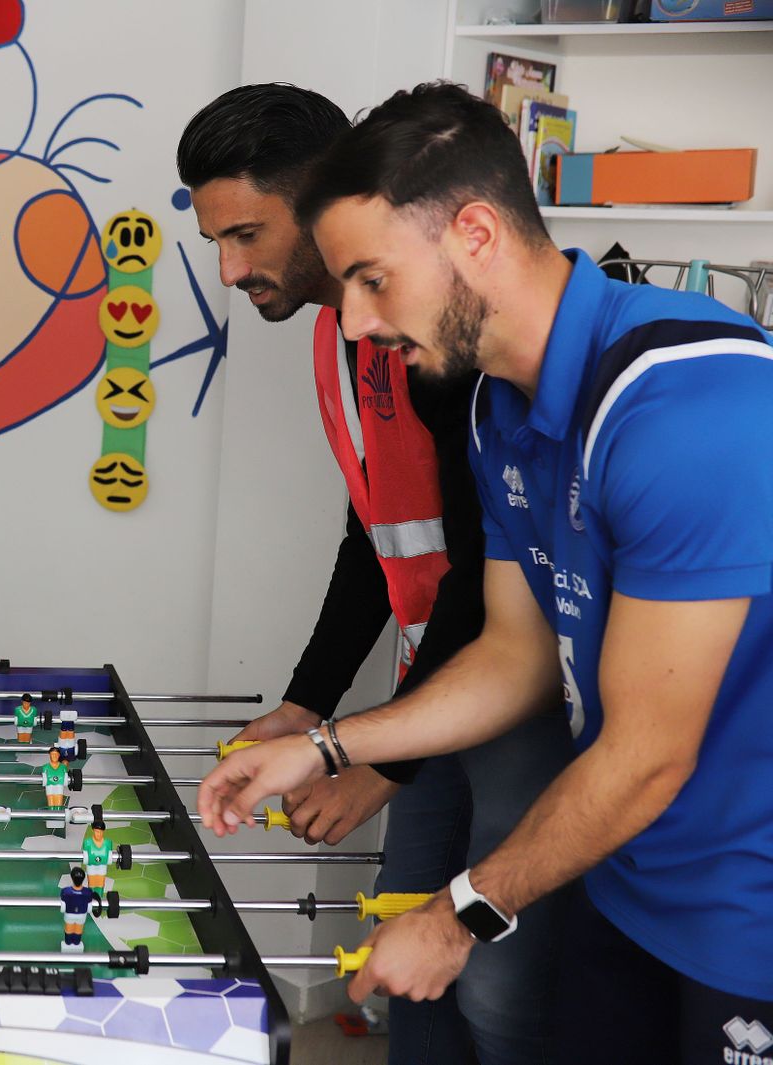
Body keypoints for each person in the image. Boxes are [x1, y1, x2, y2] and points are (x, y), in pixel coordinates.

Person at [202, 81, 773, 1063]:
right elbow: (511, 654)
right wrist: (327, 745)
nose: (353, 326)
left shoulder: (689, 411)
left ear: (472, 233)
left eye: (373, 281)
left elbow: (648, 754)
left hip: (746, 914)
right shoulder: (490, 411)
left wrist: (458, 913)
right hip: (624, 882)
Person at [178, 83, 573, 1064]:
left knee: (501, 993)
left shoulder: (438, 340)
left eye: (244, 235)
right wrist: (309, 706)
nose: (228, 272)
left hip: (507, 699)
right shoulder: (346, 332)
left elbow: (491, 560)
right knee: (399, 958)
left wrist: (369, 762)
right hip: (429, 686)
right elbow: (376, 531)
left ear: (322, 195)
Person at [59, 866, 97, 953]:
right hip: (81, 915)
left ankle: (68, 942)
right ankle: (76, 942)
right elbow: (89, 904)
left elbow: (63, 903)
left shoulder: (66, 891)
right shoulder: (88, 892)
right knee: (78, 929)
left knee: (69, 929)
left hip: (69, 914)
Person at [81, 820, 113, 890]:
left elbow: (109, 856)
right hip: (91, 868)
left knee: (100, 884)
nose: (98, 834)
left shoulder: (108, 843)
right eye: (96, 831)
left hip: (102, 867)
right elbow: (85, 856)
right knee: (92, 884)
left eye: (100, 832)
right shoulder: (87, 842)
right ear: (93, 831)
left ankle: (99, 898)